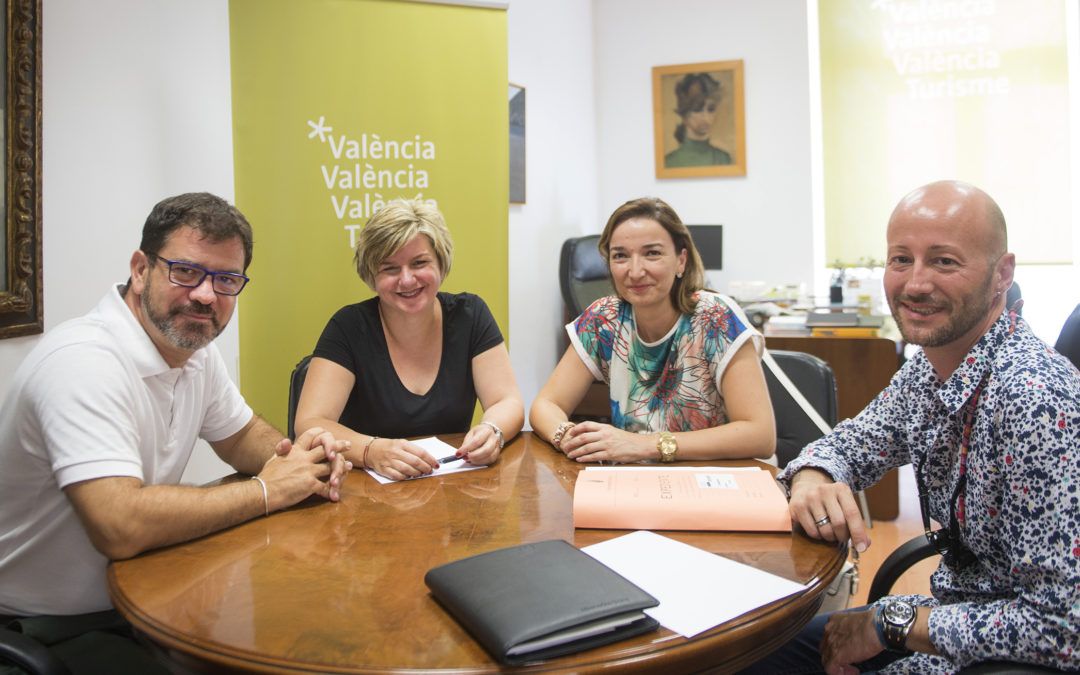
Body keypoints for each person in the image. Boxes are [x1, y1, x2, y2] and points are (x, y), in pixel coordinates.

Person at [0, 193, 351, 672]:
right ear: (141, 268)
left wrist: (298, 456)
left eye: (226, 279)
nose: (206, 295)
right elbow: (119, 525)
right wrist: (270, 489)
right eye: (186, 271)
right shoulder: (83, 362)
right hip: (47, 628)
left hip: (146, 594)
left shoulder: (192, 351)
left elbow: (240, 436)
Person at [742, 180, 1080, 674]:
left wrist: (891, 624)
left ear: (1002, 273)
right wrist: (814, 474)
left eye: (944, 261)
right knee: (749, 651)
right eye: (901, 260)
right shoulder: (931, 367)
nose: (915, 284)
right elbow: (855, 442)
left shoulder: (1035, 401)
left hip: (1000, 656)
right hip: (946, 619)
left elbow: (1062, 627)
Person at [529, 197, 775, 464]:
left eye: (652, 253)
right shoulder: (604, 319)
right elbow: (545, 406)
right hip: (635, 481)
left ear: (681, 261)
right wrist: (568, 436)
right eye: (620, 256)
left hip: (714, 477)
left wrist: (645, 446)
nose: (635, 271)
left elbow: (760, 435)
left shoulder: (716, 318)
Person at [295, 199, 524, 481]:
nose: (406, 280)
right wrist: (371, 451)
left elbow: (507, 400)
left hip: (449, 492)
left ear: (441, 263)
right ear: (371, 274)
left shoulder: (471, 315)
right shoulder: (348, 327)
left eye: (419, 263)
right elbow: (310, 423)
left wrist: (493, 431)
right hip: (364, 496)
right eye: (390, 268)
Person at [664, 73, 732, 168]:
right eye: (697, 109)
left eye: (711, 109)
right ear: (684, 114)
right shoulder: (668, 162)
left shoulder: (724, 159)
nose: (705, 117)